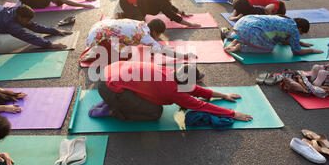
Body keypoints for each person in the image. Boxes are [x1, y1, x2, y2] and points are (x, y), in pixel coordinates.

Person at [89, 61, 253, 122]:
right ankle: (112, 110)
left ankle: (117, 99)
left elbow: (195, 90)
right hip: (109, 88)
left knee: (142, 93)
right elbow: (200, 105)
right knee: (154, 113)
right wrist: (232, 114)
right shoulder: (173, 90)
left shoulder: (170, 72)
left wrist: (223, 95)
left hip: (109, 75)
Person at [80, 18, 197, 64]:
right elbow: (162, 50)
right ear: (155, 32)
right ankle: (95, 54)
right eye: (159, 34)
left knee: (127, 51)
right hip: (97, 37)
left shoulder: (141, 25)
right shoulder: (145, 36)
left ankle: (97, 50)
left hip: (99, 28)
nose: (158, 37)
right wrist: (185, 56)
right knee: (125, 56)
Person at [224, 15, 324, 56]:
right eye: (301, 33)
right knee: (268, 49)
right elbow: (296, 51)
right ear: (300, 29)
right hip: (252, 30)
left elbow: (282, 40)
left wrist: (299, 42)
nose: (299, 35)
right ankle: (240, 47)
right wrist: (312, 50)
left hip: (242, 24)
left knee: (263, 37)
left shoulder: (286, 20)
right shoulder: (294, 30)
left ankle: (237, 40)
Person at [117, 0, 201, 27]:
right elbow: (171, 14)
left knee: (146, 14)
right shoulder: (162, 1)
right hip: (126, 2)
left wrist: (181, 13)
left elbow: (170, 7)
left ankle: (128, 14)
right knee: (141, 23)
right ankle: (122, 15)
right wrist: (190, 24)